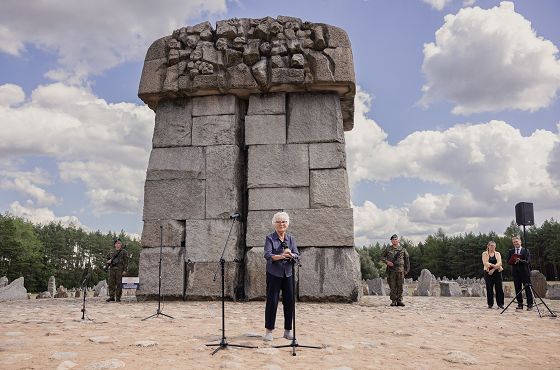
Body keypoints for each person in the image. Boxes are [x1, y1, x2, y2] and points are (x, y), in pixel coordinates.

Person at [263, 211, 299, 342]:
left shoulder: (291, 239)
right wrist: (282, 256)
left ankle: (287, 331)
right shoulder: (270, 238)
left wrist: (292, 255)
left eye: (284, 222)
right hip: (274, 273)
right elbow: (267, 255)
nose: (281, 224)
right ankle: (269, 331)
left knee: (289, 301)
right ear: (274, 224)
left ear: (287, 224)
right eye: (278, 222)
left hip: (288, 273)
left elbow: (296, 254)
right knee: (272, 301)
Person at [506, 235, 533, 310]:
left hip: (525, 273)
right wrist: (513, 261)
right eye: (514, 242)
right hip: (516, 273)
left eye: (516, 241)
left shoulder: (526, 250)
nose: (515, 243)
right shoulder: (511, 251)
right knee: (518, 289)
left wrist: (520, 260)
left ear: (520, 242)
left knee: (528, 288)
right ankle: (520, 304)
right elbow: (508, 261)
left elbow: (528, 261)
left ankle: (530, 304)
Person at [382, 234, 410, 307]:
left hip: (400, 270)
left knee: (400, 286)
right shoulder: (388, 249)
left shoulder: (403, 249)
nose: (395, 240)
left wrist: (407, 270)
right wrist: (387, 262)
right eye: (393, 239)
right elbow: (382, 257)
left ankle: (399, 300)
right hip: (391, 271)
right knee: (392, 286)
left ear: (398, 240)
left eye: (396, 239)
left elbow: (407, 260)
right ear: (391, 241)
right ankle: (393, 301)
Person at [481, 241, 504, 309]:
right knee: (489, 288)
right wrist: (492, 266)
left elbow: (500, 263)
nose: (492, 247)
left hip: (497, 272)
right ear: (488, 246)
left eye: (494, 246)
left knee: (499, 288)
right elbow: (485, 262)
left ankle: (500, 304)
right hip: (488, 272)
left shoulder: (498, 253)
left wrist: (493, 269)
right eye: (491, 245)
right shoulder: (484, 253)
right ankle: (490, 304)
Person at [106, 237, 129, 302]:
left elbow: (126, 261)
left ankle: (118, 297)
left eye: (119, 243)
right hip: (112, 269)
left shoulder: (124, 252)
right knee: (111, 284)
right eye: (116, 243)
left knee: (119, 284)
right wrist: (108, 261)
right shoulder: (111, 252)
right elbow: (106, 259)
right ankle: (111, 297)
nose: (117, 244)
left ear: (121, 244)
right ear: (114, 244)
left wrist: (125, 270)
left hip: (120, 269)